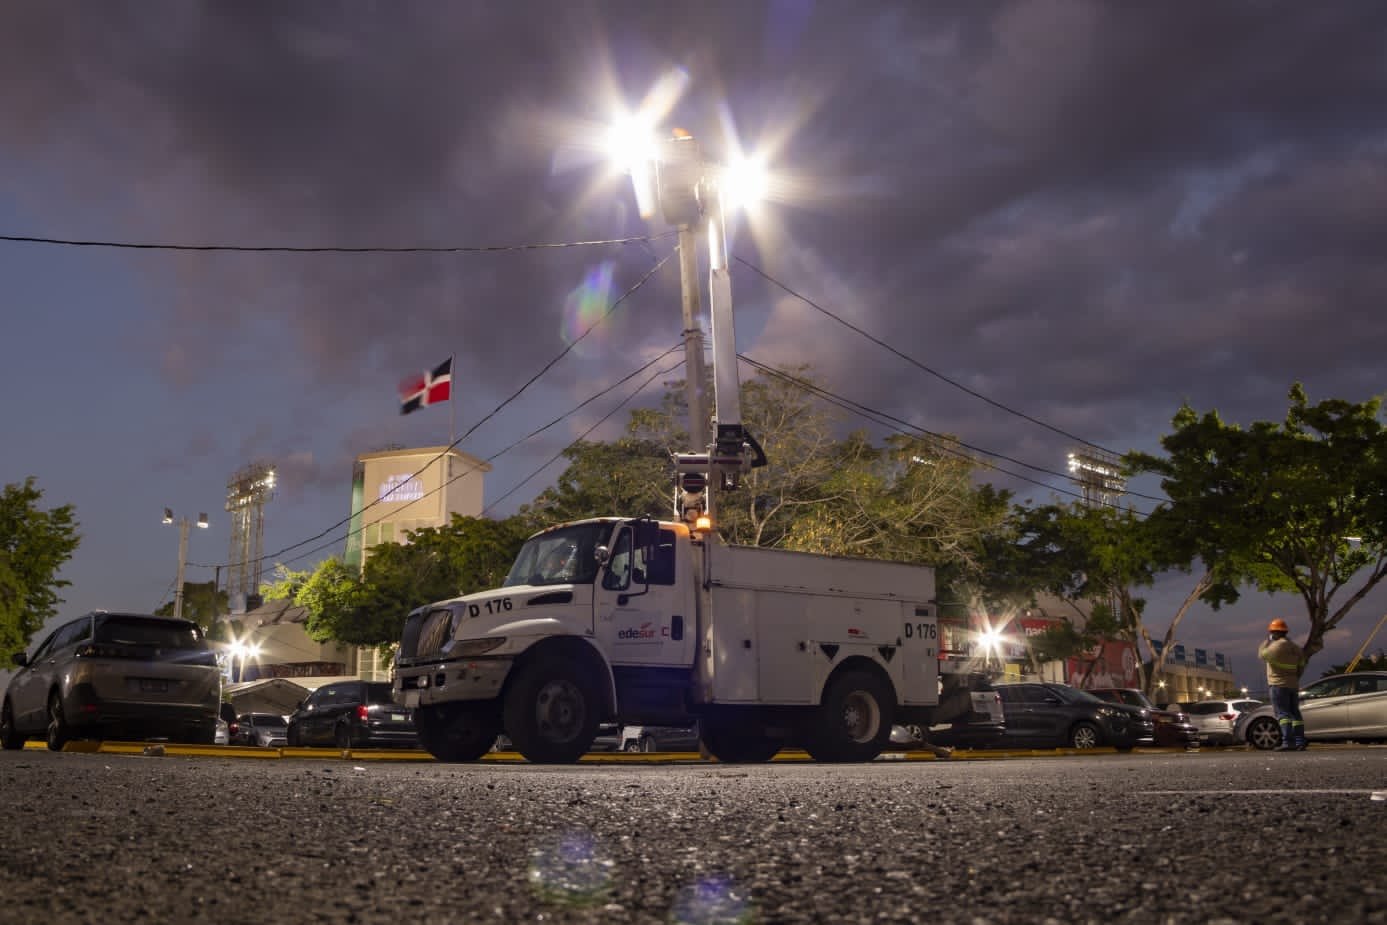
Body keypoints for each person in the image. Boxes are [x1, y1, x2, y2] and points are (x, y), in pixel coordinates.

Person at [1258, 618, 1307, 751]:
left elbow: (1261, 654)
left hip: (1278, 685)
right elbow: (1302, 666)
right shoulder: (1295, 647)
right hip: (1293, 684)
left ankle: (1288, 742)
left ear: (1274, 633)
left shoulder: (1275, 647)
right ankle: (1300, 742)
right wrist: (1294, 678)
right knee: (1295, 714)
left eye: (1271, 632)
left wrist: (1267, 641)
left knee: (1283, 715)